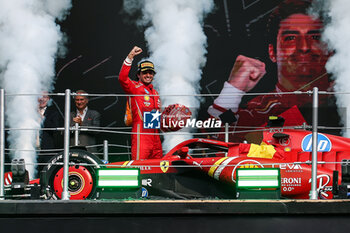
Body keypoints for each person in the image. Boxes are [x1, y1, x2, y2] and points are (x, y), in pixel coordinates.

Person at [208, 0, 336, 142]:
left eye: (315, 37)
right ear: (272, 53)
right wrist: (233, 90)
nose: (304, 47)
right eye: (291, 38)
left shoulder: (343, 97)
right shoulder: (256, 110)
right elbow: (215, 136)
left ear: (329, 49)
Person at [118, 46, 162, 160]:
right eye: (145, 73)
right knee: (139, 168)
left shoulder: (155, 92)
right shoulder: (135, 87)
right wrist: (130, 57)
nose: (148, 75)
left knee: (158, 169)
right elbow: (122, 78)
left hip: (155, 136)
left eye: (151, 73)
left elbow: (158, 116)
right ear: (139, 75)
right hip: (141, 135)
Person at [37, 92, 64, 171]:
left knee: (45, 172)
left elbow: (54, 128)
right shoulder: (29, 112)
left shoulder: (53, 113)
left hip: (46, 149)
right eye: (40, 96)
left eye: (45, 97)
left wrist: (42, 118)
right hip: (31, 148)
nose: (42, 99)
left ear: (48, 99)